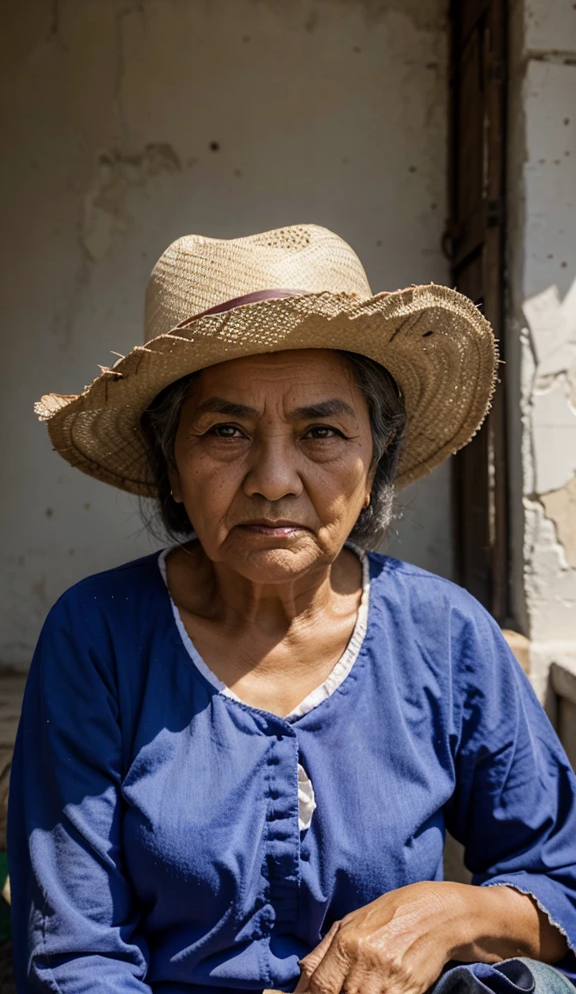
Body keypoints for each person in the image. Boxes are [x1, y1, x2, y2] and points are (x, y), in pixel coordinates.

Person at [8, 224, 576, 994]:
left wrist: (447, 911)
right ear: (170, 466)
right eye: (225, 431)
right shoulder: (99, 635)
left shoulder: (443, 634)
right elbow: (73, 956)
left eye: (321, 432)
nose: (274, 478)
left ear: (374, 462)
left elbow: (561, 887)